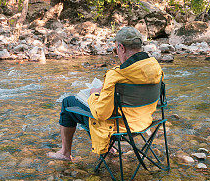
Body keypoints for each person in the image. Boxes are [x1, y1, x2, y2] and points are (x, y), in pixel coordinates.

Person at [47, 27, 163, 162]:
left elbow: (101, 114)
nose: (117, 53)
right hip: (144, 122)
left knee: (68, 102)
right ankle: (110, 148)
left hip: (119, 127)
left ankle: (65, 153)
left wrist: (94, 94)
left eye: (116, 50)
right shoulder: (155, 67)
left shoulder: (116, 75)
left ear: (121, 48)